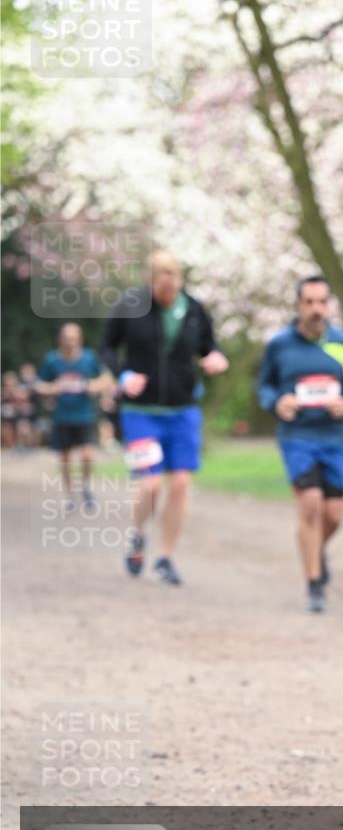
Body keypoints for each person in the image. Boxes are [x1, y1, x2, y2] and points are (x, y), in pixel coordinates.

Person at [102, 250, 228, 585]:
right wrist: (123, 375)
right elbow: (107, 347)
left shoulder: (195, 309)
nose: (168, 294)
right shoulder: (130, 305)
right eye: (161, 288)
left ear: (180, 281)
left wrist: (215, 358)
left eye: (173, 288)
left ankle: (166, 557)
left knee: (181, 484)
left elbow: (209, 346)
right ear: (150, 280)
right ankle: (137, 535)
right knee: (150, 483)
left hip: (183, 410)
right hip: (140, 411)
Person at [258, 275, 343, 613]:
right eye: (309, 302)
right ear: (298, 305)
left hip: (334, 438)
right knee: (310, 504)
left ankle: (314, 552)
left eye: (322, 301)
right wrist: (277, 402)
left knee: (333, 514)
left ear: (329, 304)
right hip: (297, 437)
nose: (316, 308)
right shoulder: (279, 344)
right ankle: (314, 584)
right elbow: (264, 387)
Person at [36, 324, 108, 512]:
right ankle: (70, 496)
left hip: (84, 416)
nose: (71, 342)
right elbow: (38, 385)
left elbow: (106, 379)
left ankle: (85, 485)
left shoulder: (89, 358)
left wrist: (92, 386)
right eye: (68, 338)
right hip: (62, 417)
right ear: (60, 339)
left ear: (80, 339)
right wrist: (52, 388)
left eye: (74, 338)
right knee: (65, 459)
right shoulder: (52, 360)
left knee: (87, 456)